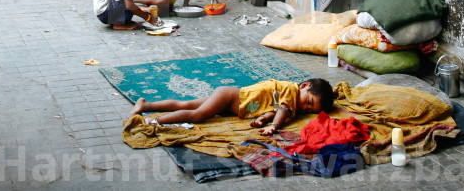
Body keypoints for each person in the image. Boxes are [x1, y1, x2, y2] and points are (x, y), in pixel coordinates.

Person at [129, 78, 334, 133]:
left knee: (188, 104)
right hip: (229, 97)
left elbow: (272, 111)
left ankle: (146, 105)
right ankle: (152, 120)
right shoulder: (290, 90)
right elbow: (281, 111)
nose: (305, 108)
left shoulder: (288, 104)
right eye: (308, 102)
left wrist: (263, 120)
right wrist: (274, 126)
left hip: (230, 104)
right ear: (304, 86)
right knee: (198, 115)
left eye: (309, 110)